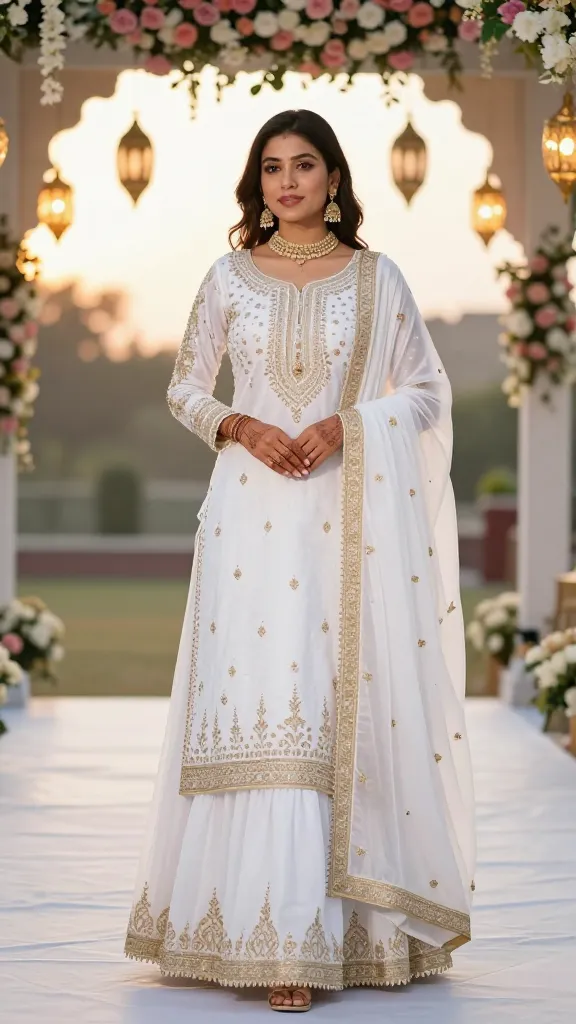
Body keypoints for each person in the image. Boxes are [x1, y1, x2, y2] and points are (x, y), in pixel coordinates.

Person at [124, 108, 475, 1013]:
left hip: (343, 519)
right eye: (273, 167)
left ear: (333, 179)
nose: (288, 182)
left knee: (326, 700)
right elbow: (185, 387)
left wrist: (349, 424)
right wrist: (239, 424)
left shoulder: (377, 278)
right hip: (247, 520)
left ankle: (322, 940)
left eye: (305, 165)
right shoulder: (227, 277)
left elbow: (425, 391)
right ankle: (251, 932)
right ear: (258, 182)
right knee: (257, 707)